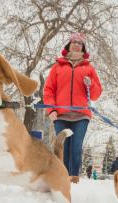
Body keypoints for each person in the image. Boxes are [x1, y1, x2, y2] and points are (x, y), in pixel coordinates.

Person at [43, 32, 103, 184]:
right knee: (63, 147)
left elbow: (96, 94)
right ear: (68, 45)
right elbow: (49, 90)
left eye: (80, 43)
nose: (76, 44)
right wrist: (51, 110)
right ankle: (62, 179)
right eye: (73, 42)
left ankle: (74, 180)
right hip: (61, 115)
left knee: (76, 148)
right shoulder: (58, 66)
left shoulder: (88, 68)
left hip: (81, 115)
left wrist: (91, 84)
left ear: (83, 48)